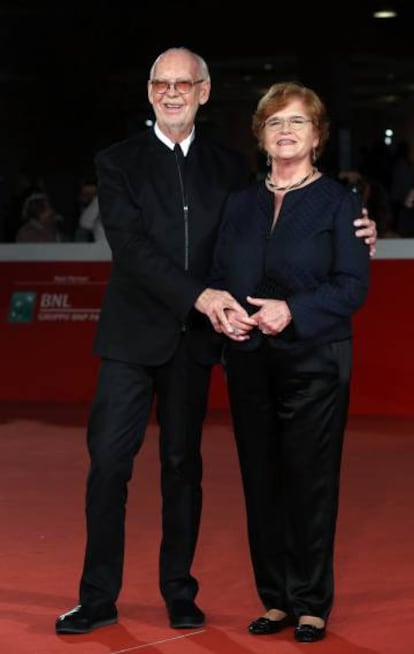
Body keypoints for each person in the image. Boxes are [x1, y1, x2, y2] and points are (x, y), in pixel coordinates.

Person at [55, 51, 376, 636]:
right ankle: (96, 595)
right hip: (133, 337)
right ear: (149, 91)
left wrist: (358, 229)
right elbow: (130, 250)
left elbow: (273, 226)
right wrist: (203, 297)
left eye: (185, 83)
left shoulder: (231, 169)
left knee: (184, 467)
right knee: (108, 465)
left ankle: (179, 591)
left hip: (199, 344)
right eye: (161, 83)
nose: (172, 93)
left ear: (204, 92)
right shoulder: (117, 161)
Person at [208, 81, 371, 643]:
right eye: (275, 121)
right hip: (248, 360)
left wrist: (293, 312)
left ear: (317, 136)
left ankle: (309, 602)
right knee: (261, 482)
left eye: (298, 122)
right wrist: (222, 310)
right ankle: (275, 599)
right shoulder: (240, 204)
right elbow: (218, 274)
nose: (285, 131)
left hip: (314, 364)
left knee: (309, 483)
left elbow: (352, 287)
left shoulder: (340, 204)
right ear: (260, 135)